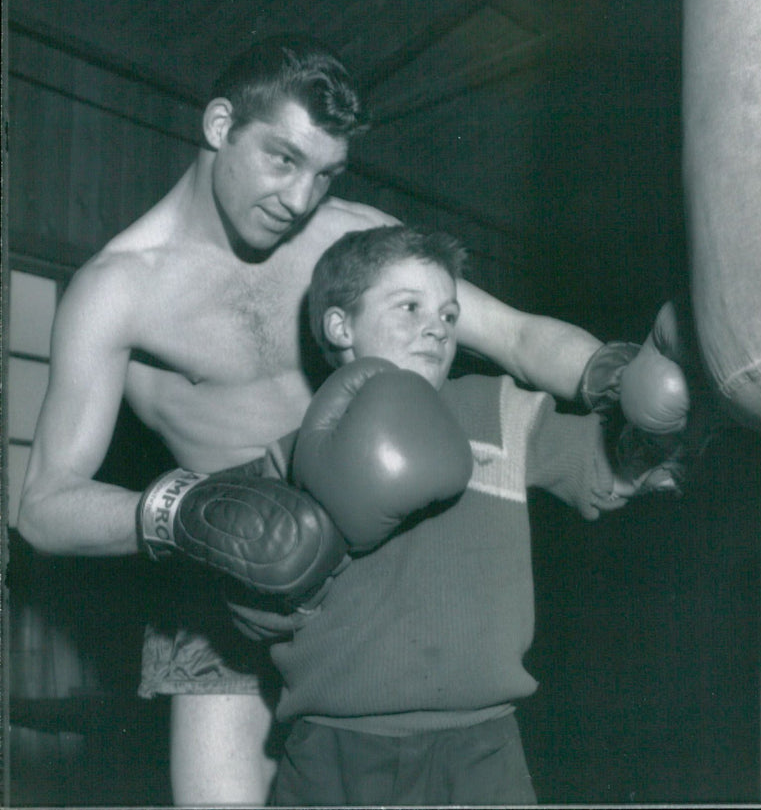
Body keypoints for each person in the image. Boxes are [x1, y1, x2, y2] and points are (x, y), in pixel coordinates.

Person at [16, 36, 686, 807]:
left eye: (325, 172)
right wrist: (187, 510)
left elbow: (516, 336)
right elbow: (43, 504)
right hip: (224, 585)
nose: (300, 200)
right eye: (281, 160)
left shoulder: (352, 239)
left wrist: (613, 374)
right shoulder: (117, 291)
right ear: (218, 123)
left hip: (377, 583)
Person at [226, 224, 681, 807]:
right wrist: (291, 561)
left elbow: (608, 473)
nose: (435, 328)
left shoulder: (496, 408)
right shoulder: (286, 457)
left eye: (448, 315)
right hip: (336, 751)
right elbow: (254, 616)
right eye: (409, 307)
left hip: (483, 746)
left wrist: (668, 415)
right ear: (340, 326)